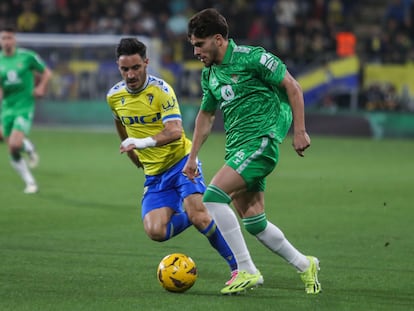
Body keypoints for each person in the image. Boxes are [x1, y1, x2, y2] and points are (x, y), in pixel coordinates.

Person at [183, 8, 322, 295]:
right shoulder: (209, 75)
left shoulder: (252, 57)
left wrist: (299, 130)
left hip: (261, 141)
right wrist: (193, 156)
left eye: (199, 44)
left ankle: (245, 269)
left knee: (212, 197)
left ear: (218, 39)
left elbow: (293, 87)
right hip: (237, 147)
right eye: (193, 45)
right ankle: (304, 264)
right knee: (254, 220)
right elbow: (206, 117)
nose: (195, 51)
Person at [106, 37, 243, 292]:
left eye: (136, 67)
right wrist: (131, 151)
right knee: (156, 231)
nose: (131, 74)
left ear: (146, 63)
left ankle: (239, 267)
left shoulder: (161, 91)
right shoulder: (114, 96)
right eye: (125, 69)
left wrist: (141, 143)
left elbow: (175, 131)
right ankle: (191, 213)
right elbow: (119, 123)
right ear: (118, 66)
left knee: (201, 217)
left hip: (181, 162)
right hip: (154, 174)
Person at [0, 26, 52, 194]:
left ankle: (31, 182)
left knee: (14, 144)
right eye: (3, 38)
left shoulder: (27, 57)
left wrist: (41, 87)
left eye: (9, 38)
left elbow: (46, 72)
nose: (6, 41)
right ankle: (29, 175)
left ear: (15, 40)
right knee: (12, 148)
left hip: (24, 106)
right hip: (7, 107)